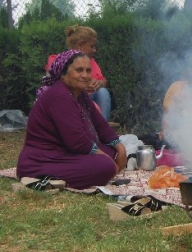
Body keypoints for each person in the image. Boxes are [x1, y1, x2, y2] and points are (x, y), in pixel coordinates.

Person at [17, 50, 127, 189]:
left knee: (112, 151)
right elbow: (77, 142)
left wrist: (120, 148)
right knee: (105, 166)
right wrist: (109, 162)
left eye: (88, 70)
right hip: (42, 160)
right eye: (79, 70)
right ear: (63, 74)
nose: (85, 76)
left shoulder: (80, 95)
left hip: (66, 152)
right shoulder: (60, 96)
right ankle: (42, 177)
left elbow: (101, 125)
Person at [46, 25, 112, 120]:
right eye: (92, 46)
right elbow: (51, 81)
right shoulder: (56, 60)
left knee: (103, 92)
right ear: (80, 45)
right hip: (66, 100)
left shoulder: (91, 61)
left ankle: (102, 127)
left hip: (87, 100)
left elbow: (103, 81)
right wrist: (82, 86)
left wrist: (98, 83)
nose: (94, 50)